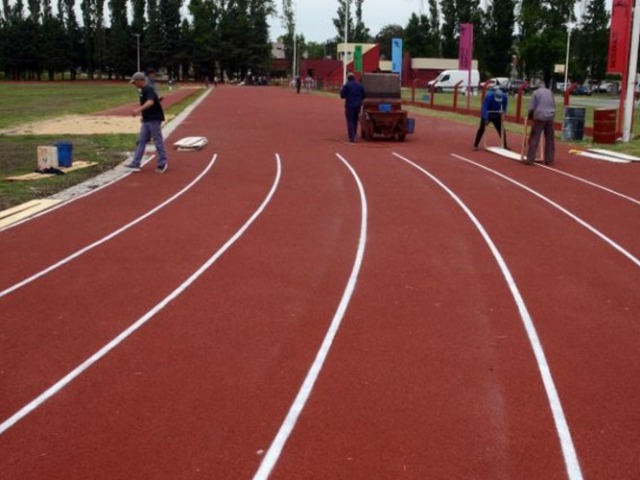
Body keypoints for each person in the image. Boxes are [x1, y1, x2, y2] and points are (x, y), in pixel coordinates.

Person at [124, 72, 169, 173]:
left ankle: (162, 162)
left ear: (140, 80)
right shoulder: (143, 90)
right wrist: (144, 116)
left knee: (157, 140)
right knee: (141, 140)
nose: (134, 85)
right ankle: (136, 163)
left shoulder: (148, 89)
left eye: (134, 82)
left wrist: (138, 110)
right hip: (147, 119)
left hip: (154, 119)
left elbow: (150, 102)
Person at [525, 82, 556, 165]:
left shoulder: (536, 93)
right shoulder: (550, 92)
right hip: (550, 116)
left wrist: (530, 116)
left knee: (534, 138)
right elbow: (554, 104)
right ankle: (549, 160)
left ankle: (530, 159)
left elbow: (532, 107)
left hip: (539, 117)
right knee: (550, 139)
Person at [473, 85, 508, 150]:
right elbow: (484, 108)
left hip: (496, 114)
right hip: (488, 114)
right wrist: (486, 119)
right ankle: (475, 145)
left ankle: (504, 145)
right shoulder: (488, 96)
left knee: (502, 130)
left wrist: (503, 114)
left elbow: (505, 106)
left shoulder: (504, 97)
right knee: (482, 129)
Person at [339, 72, 365, 144]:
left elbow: (342, 96)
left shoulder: (347, 85)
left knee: (350, 121)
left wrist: (341, 90)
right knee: (355, 120)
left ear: (348, 78)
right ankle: (354, 135)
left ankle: (352, 137)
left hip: (350, 105)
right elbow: (364, 95)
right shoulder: (359, 85)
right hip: (358, 105)